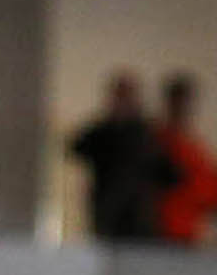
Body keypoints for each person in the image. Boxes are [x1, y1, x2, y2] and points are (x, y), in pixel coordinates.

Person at [69, 72, 171, 242]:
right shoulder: (101, 131)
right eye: (120, 95)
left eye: (127, 95)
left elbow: (164, 169)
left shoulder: (146, 133)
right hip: (107, 211)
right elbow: (76, 148)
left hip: (138, 214)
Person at [154, 75, 217, 247]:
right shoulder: (153, 144)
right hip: (154, 236)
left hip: (186, 236)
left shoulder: (197, 152)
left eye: (183, 104)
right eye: (176, 103)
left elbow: (213, 196)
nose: (180, 109)